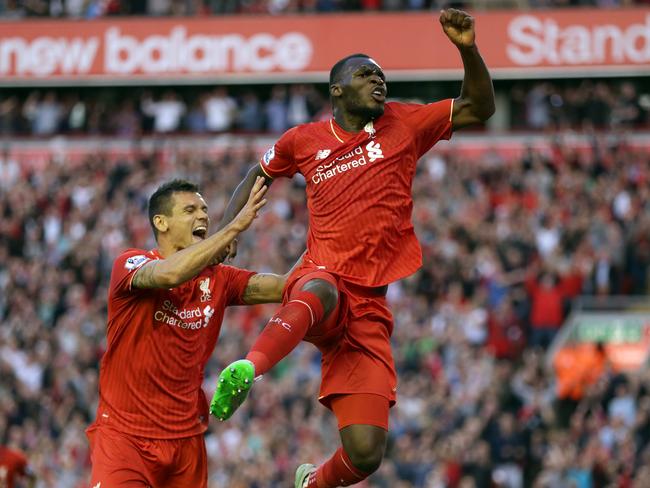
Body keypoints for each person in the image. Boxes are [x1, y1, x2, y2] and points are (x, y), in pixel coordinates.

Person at [210, 8, 495, 488]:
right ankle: (247, 368)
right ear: (337, 90)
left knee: (365, 455)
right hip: (322, 276)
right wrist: (229, 231)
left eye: (382, 76)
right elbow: (258, 175)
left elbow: (478, 107)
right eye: (366, 75)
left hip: (369, 305)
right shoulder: (303, 140)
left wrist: (467, 48)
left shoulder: (405, 123)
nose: (378, 82)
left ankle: (311, 484)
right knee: (320, 286)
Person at [86, 177, 290, 487]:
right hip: (126, 440)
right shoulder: (130, 264)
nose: (204, 216)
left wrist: (329, 233)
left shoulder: (220, 278)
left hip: (186, 443)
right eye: (190, 209)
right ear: (161, 222)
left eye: (205, 210)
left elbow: (286, 286)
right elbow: (170, 273)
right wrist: (232, 229)